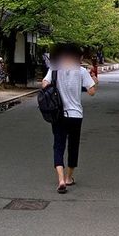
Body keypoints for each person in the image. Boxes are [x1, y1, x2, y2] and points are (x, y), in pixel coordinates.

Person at [41, 44, 98, 194]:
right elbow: (92, 91)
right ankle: (68, 178)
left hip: (58, 114)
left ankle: (60, 180)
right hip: (75, 115)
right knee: (73, 146)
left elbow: (44, 84)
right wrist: (94, 79)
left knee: (58, 145)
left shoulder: (54, 68)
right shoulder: (81, 71)